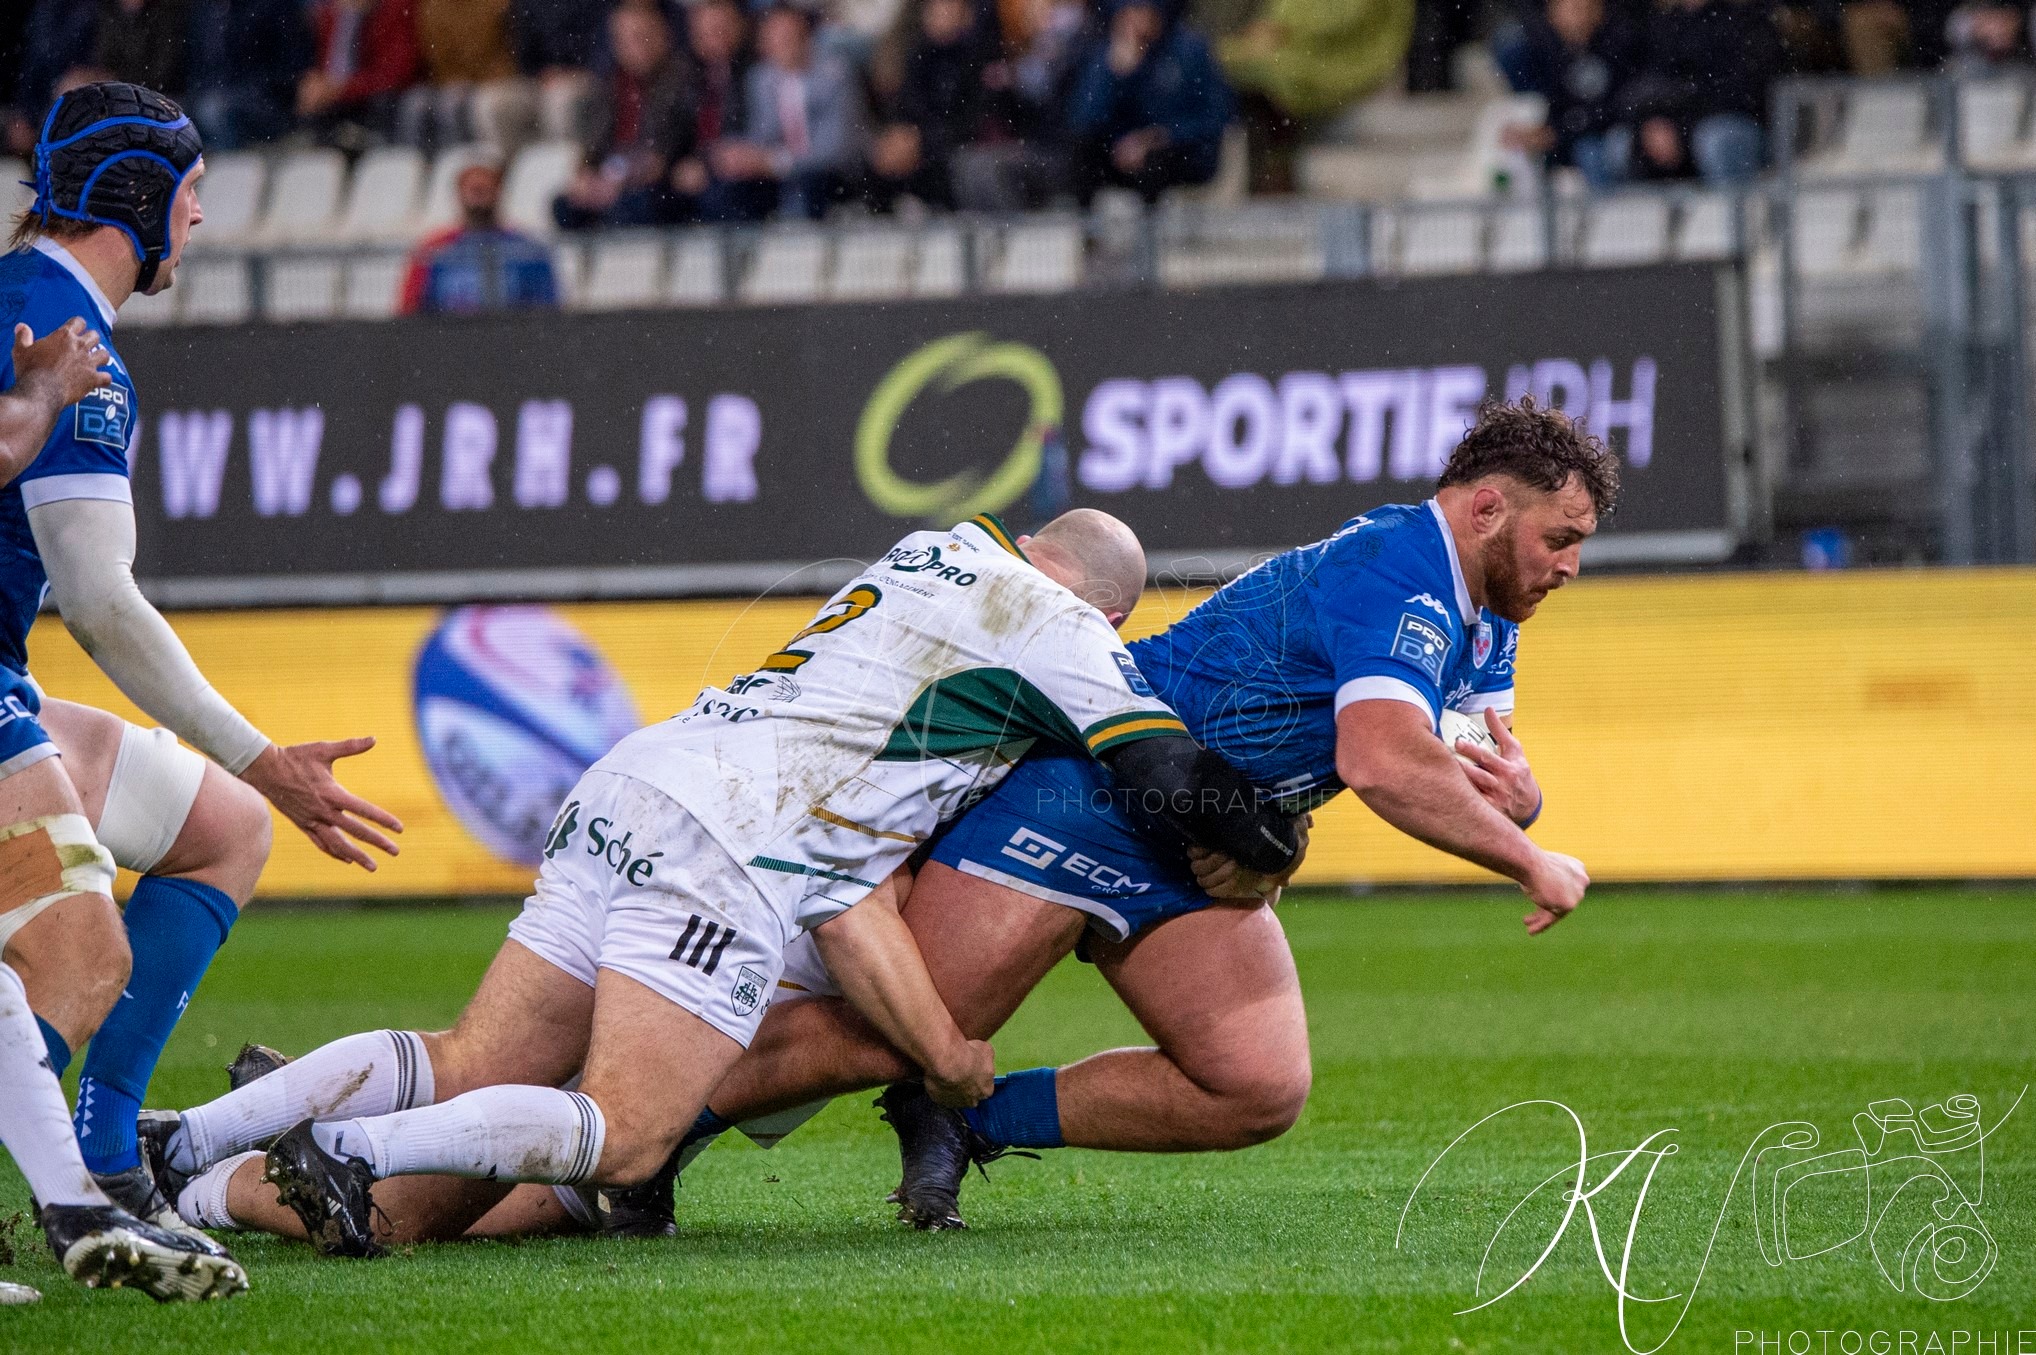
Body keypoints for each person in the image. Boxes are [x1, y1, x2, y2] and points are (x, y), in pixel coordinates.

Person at [151, 511, 1308, 1253]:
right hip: (732, 835)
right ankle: (353, 1152)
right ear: (1112, 616)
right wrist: (1274, 837)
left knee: (465, 1059)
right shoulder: (1064, 629)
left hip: (638, 776)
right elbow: (1171, 772)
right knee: (624, 1134)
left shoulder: (939, 544)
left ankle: (176, 1154)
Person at [2, 83, 403, 1254]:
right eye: (192, 198)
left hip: (6, 679)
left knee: (222, 827)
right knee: (81, 959)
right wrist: (266, 753)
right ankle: (71, 1170)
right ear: (142, 203)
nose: (200, 225)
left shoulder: (21, 298)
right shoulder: (77, 353)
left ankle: (107, 1153)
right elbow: (103, 604)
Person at [708, 3, 870, 221]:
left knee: (812, 183)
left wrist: (774, 162)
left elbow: (836, 150)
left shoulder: (835, 76)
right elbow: (761, 136)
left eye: (792, 37)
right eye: (777, 40)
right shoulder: (761, 80)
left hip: (831, 176)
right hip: (779, 178)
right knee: (730, 190)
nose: (786, 46)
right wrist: (738, 154)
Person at [1067, 0, 1234, 207]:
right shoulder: (1107, 53)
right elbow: (1084, 120)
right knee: (1083, 154)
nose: (1135, 19)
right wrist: (1114, 75)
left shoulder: (1189, 49)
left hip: (1181, 153)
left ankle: (1150, 236)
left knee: (1155, 162)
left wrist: (1161, 136)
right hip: (1124, 153)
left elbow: (1216, 116)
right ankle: (1090, 234)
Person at [1603, 0, 1781, 186]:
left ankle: (1732, 212)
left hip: (1731, 125)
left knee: (1714, 139)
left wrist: (1683, 128)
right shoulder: (1662, 25)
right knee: (1619, 143)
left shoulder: (1743, 21)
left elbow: (1742, 94)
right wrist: (1650, 122)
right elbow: (1641, 87)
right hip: (1675, 123)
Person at [553, 1, 690, 230]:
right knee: (565, 206)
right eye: (624, 40)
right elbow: (593, 145)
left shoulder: (680, 79)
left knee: (633, 205)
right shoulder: (610, 84)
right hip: (614, 180)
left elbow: (663, 153)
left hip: (653, 183)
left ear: (662, 35)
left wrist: (618, 181)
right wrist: (586, 175)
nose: (634, 48)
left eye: (641, 37)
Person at [1496, 0, 1645, 191]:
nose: (1575, 19)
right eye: (1568, 11)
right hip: (1572, 136)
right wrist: (1539, 133)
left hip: (1611, 133)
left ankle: (1613, 214)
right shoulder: (1551, 54)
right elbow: (1557, 105)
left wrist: (1559, 131)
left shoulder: (1619, 46)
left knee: (1592, 151)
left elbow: (1619, 106)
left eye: (1581, 10)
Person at [867, 0, 996, 212]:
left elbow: (973, 116)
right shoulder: (918, 57)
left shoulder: (977, 58)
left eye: (948, 10)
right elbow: (907, 106)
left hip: (953, 144)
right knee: (880, 156)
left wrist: (923, 140)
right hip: (920, 140)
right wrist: (901, 135)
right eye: (935, 11)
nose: (940, 17)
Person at [399, 162, 557, 314]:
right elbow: (409, 308)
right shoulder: (432, 251)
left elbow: (549, 308)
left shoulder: (529, 250)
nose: (479, 197)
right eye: (474, 190)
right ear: (459, 194)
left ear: (499, 192)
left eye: (485, 189)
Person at [183, 0, 315, 149]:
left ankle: (230, 165)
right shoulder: (205, 11)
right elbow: (196, 69)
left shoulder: (274, 6)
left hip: (268, 103)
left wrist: (255, 90)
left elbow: (291, 67)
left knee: (212, 112)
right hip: (211, 98)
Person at [667, 0, 753, 222]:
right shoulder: (684, 75)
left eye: (721, 30)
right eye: (707, 33)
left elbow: (747, 132)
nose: (715, 39)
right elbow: (673, 132)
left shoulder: (752, 74)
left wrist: (706, 165)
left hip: (738, 173)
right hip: (693, 172)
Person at [298, 0, 422, 151]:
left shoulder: (395, 10)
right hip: (340, 104)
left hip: (377, 102)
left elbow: (396, 75)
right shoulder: (331, 14)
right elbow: (323, 68)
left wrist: (340, 89)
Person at [398, 0, 520, 151]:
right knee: (414, 104)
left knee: (452, 105)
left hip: (492, 79)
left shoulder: (494, 5)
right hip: (448, 81)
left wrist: (475, 80)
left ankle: (466, 158)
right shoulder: (433, 7)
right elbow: (435, 53)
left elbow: (500, 52)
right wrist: (453, 79)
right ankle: (418, 163)